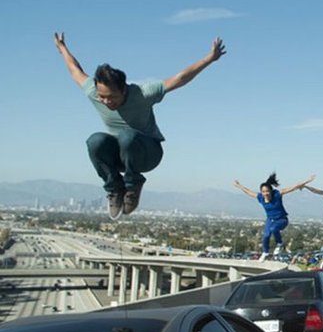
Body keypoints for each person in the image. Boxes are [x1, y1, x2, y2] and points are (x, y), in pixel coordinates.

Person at [54, 32, 226, 219]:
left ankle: (133, 186)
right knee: (95, 141)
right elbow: (75, 70)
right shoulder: (93, 92)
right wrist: (62, 48)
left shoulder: (142, 93)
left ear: (124, 89)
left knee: (127, 135)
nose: (106, 101)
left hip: (148, 154)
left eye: (112, 97)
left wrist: (210, 58)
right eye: (102, 97)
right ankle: (115, 189)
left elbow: (180, 78)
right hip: (121, 156)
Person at [233, 173, 314, 261]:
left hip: (282, 220)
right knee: (266, 235)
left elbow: (293, 187)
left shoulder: (277, 195)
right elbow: (248, 191)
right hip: (270, 220)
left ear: (271, 191)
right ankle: (265, 252)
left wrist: (307, 181)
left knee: (273, 229)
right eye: (263, 192)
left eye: (267, 191)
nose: (266, 194)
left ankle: (279, 243)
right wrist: (239, 185)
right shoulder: (260, 197)